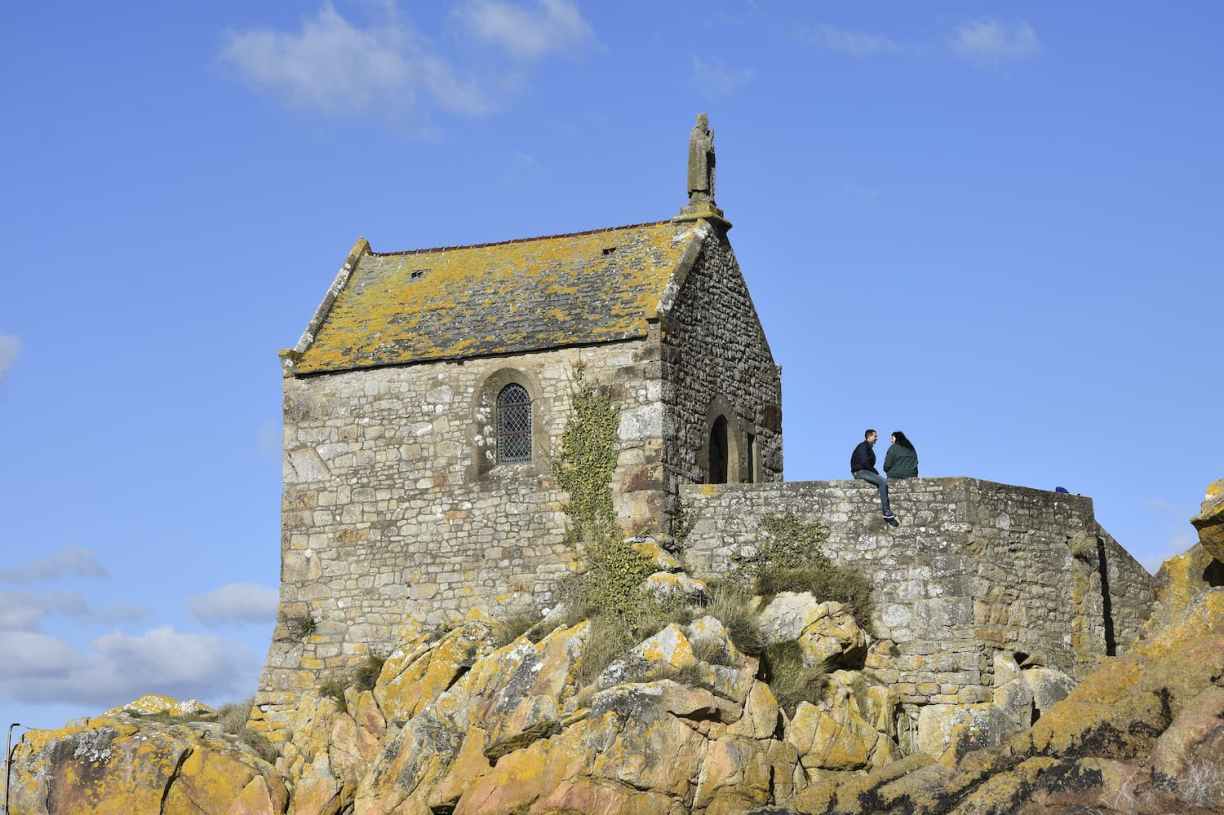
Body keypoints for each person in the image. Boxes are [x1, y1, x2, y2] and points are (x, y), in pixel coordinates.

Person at [851, 429, 898, 527]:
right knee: (882, 482)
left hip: (863, 470)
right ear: (869, 437)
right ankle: (886, 512)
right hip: (860, 472)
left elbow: (868, 465)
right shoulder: (863, 446)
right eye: (875, 436)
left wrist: (875, 473)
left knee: (881, 480)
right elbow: (864, 463)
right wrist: (876, 474)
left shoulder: (868, 447)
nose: (877, 438)